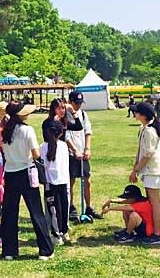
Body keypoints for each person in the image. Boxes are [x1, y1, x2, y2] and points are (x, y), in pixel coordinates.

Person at [0, 101, 54, 261]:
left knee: (9, 213)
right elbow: (36, 154)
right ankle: (45, 249)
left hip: (10, 173)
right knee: (36, 211)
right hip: (26, 172)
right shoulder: (27, 130)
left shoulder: (5, 131)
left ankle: (9, 251)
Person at [130, 102, 160, 246]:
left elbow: (147, 154)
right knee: (150, 201)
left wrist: (137, 169)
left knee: (155, 202)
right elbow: (141, 151)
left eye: (137, 112)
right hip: (148, 170)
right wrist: (135, 167)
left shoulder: (150, 131)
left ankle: (157, 234)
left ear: (143, 115)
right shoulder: (144, 128)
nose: (135, 114)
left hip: (153, 171)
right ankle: (150, 229)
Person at [66, 91, 102, 221]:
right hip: (70, 154)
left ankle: (88, 207)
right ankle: (70, 207)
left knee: (87, 180)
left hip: (82, 152)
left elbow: (88, 132)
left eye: (80, 103)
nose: (79, 106)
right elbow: (66, 136)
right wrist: (74, 150)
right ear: (70, 102)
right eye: (76, 103)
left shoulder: (83, 114)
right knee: (71, 181)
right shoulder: (65, 115)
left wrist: (87, 149)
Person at [40, 121, 70, 246]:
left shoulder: (43, 147)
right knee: (63, 208)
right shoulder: (63, 146)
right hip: (63, 181)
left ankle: (56, 234)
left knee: (54, 209)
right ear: (61, 133)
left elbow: (42, 165)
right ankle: (64, 231)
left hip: (50, 183)